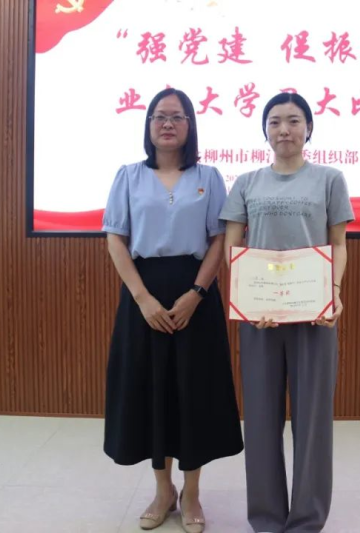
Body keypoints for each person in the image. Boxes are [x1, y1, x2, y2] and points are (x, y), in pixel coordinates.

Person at [102, 87, 244, 533]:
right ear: (148, 125)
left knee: (193, 391)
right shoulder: (128, 176)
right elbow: (116, 239)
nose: (167, 123)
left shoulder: (209, 176)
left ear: (189, 125)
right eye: (159, 116)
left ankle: (193, 493)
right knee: (152, 389)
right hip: (142, 295)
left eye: (177, 116)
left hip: (195, 295)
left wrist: (197, 293)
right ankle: (163, 490)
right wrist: (143, 299)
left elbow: (219, 239)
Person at [220, 92, 355, 533]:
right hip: (259, 318)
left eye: (294, 121)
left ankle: (307, 519)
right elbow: (233, 247)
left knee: (313, 421)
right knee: (261, 420)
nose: (284, 129)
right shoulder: (246, 183)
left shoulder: (330, 179)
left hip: (314, 315)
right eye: (275, 121)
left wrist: (333, 293)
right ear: (264, 130)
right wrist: (248, 298)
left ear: (309, 128)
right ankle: (266, 518)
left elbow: (338, 244)